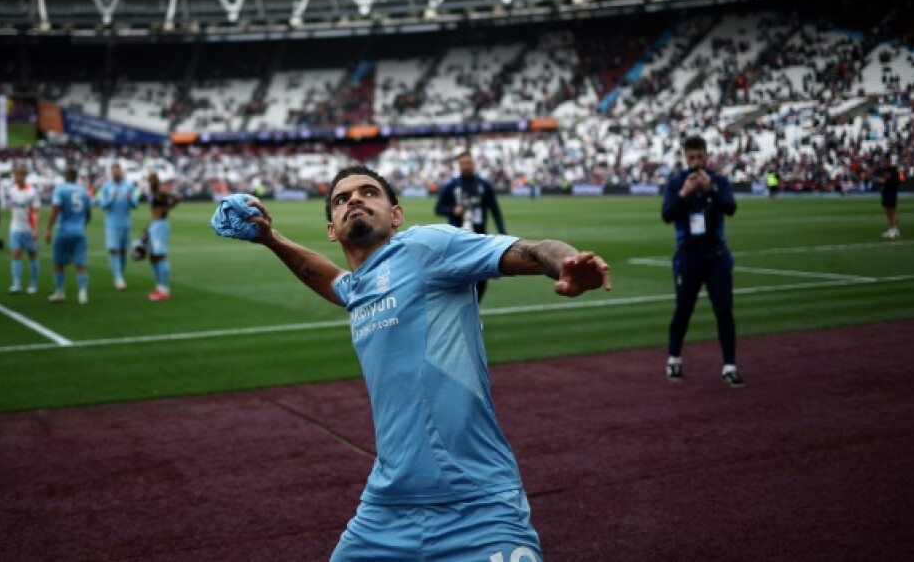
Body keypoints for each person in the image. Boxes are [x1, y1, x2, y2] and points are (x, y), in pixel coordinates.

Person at [236, 164, 611, 560]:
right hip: (385, 510)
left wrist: (566, 260)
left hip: (476, 504)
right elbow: (326, 277)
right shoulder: (358, 287)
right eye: (341, 200)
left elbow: (529, 250)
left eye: (368, 192)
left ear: (396, 215)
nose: (354, 201)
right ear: (332, 228)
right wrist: (270, 238)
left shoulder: (427, 247)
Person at [661, 135, 743, 387]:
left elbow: (730, 208)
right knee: (683, 310)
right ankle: (674, 359)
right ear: (686, 159)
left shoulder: (718, 182)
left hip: (717, 256)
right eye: (691, 158)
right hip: (688, 256)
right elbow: (667, 215)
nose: (696, 162)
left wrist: (711, 191)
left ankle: (729, 366)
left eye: (700, 157)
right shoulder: (677, 184)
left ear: (707, 156)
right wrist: (684, 193)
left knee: (724, 311)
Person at [434, 150, 507, 302]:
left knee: (483, 275)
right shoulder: (451, 186)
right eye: (463, 163)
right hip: (456, 237)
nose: (466, 166)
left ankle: (475, 304)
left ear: (473, 164)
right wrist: (453, 210)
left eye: (469, 163)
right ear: (459, 165)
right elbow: (438, 208)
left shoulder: (484, 185)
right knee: (458, 274)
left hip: (479, 235)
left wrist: (502, 232)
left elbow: (495, 210)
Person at [44, 166, 91, 304]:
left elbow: (55, 210)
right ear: (76, 178)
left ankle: (60, 292)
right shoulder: (83, 191)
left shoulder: (60, 190)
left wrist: (48, 229)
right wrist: (82, 224)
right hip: (79, 231)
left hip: (64, 231)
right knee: (81, 264)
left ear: (65, 177)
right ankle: (82, 293)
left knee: (58, 263)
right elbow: (88, 213)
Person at [98, 162, 139, 290]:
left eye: (118, 171)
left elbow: (135, 205)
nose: (116, 173)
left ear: (121, 172)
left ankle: (120, 274)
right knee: (114, 250)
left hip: (125, 223)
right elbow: (103, 205)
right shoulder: (105, 187)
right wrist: (112, 198)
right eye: (114, 171)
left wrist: (130, 199)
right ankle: (118, 278)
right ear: (111, 173)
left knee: (123, 252)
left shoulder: (129, 186)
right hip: (112, 224)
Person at [142, 171, 180, 302]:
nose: (150, 182)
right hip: (154, 224)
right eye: (149, 179)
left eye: (152, 180)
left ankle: (164, 290)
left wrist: (167, 208)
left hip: (161, 225)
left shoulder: (161, 192)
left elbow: (177, 197)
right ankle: (159, 287)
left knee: (160, 255)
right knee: (153, 256)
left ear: (156, 181)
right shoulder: (153, 193)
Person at [4, 164, 41, 294]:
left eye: (18, 175)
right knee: (15, 254)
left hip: (28, 228)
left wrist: (36, 229)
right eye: (15, 175)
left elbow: (36, 212)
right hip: (15, 228)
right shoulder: (12, 190)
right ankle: (16, 284)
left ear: (23, 176)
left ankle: (33, 284)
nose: (15, 177)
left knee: (32, 255)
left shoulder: (31, 192)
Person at [874, 156, 901, 239]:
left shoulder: (894, 171)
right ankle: (891, 228)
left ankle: (895, 229)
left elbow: (896, 182)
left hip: (891, 193)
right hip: (884, 193)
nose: (883, 163)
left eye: (885, 162)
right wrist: (879, 181)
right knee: (887, 211)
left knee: (892, 211)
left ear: (889, 162)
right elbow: (879, 180)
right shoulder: (884, 171)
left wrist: (885, 182)